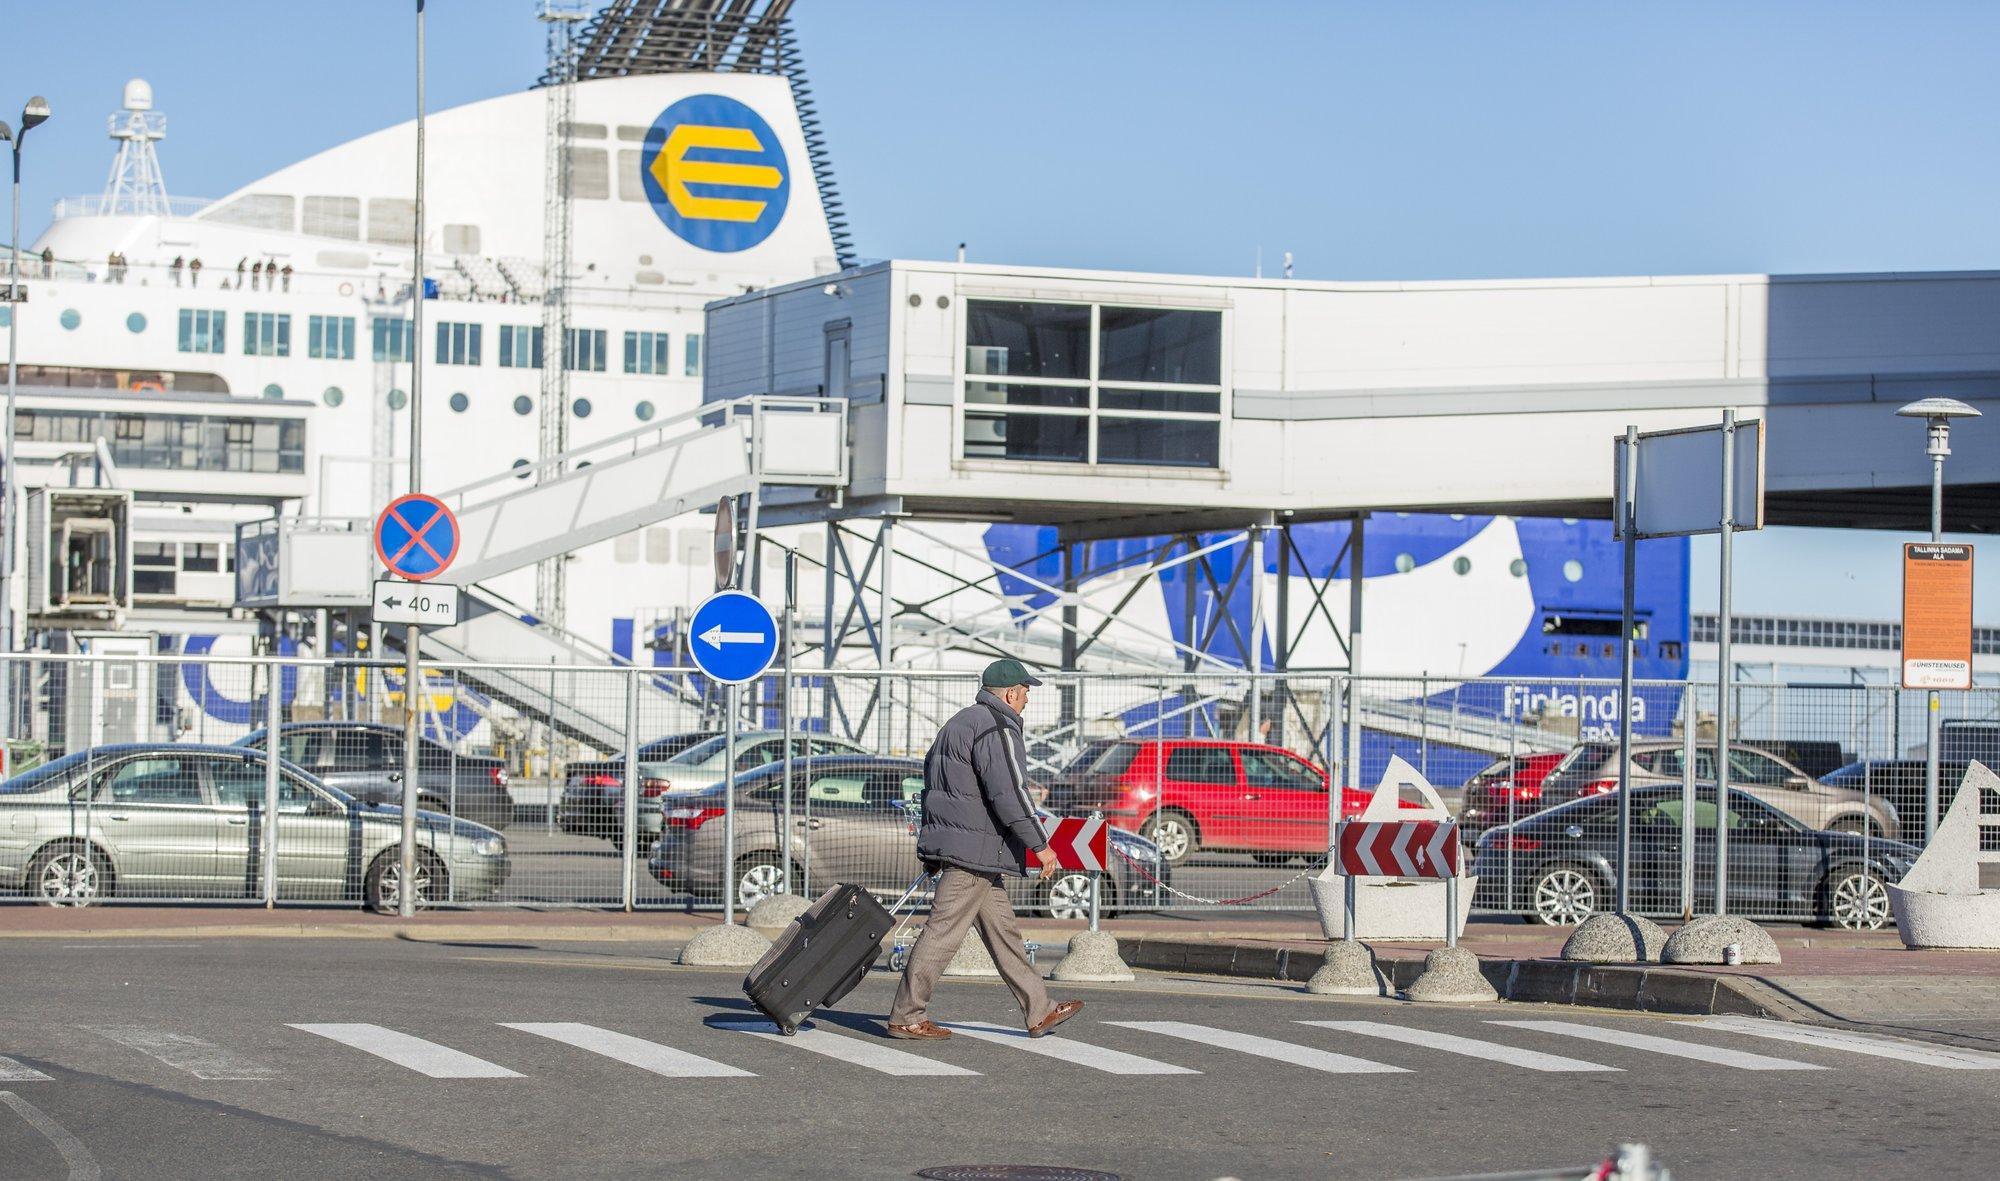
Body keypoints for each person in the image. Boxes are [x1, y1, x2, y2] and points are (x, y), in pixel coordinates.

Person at [887, 658, 1083, 1041]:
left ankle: (1039, 1009)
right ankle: (906, 1015)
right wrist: (1040, 845)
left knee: (1004, 934)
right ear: (1010, 694)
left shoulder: (959, 723)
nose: (1027, 698)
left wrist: (935, 848)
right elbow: (1010, 792)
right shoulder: (997, 727)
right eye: (1025, 691)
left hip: (969, 850)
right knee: (942, 933)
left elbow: (935, 789)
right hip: (974, 852)